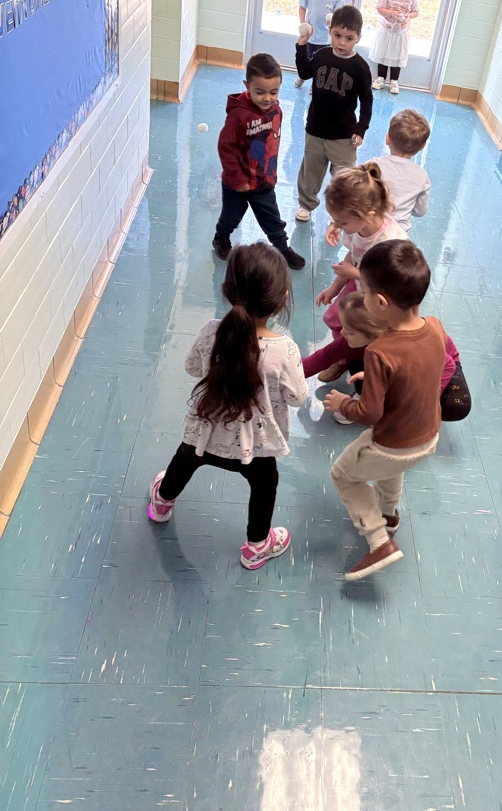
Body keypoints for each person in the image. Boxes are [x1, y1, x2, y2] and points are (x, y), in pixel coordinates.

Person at [148, 244, 308, 570]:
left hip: (205, 432)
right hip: (257, 447)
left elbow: (193, 367)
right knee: (265, 485)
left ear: (227, 290)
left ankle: (162, 503)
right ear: (280, 302)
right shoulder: (285, 351)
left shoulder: (212, 331)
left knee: (184, 460)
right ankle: (256, 547)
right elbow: (298, 398)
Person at [324, 240, 447, 581]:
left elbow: (369, 413)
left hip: (390, 443)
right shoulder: (435, 327)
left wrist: (342, 404)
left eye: (363, 292)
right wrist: (384, 381)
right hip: (426, 440)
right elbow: (421, 369)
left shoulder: (379, 352)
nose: (361, 297)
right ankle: (389, 515)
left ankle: (378, 540)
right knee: (390, 470)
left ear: (380, 303)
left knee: (343, 475)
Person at [302, 289, 471, 424]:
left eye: (350, 331)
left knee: (456, 406)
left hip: (433, 368)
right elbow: (316, 361)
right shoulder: (350, 342)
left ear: (372, 334)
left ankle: (396, 404)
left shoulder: (408, 344)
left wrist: (426, 401)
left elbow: (448, 366)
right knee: (360, 368)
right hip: (393, 368)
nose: (342, 333)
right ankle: (377, 396)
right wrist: (280, 372)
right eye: (343, 326)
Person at [315, 163, 408, 381]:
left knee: (370, 335)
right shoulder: (356, 227)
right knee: (335, 318)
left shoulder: (390, 240)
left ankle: (368, 368)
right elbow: (353, 255)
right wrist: (335, 287)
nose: (337, 225)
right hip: (359, 286)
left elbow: (388, 283)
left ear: (369, 213)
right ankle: (343, 358)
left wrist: (353, 273)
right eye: (334, 219)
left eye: (342, 221)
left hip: (381, 297)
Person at [212, 54, 305, 269]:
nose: (267, 98)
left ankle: (282, 248)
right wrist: (237, 179)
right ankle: (221, 237)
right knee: (231, 217)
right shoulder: (238, 116)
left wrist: (270, 171)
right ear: (247, 86)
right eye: (260, 92)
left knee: (272, 219)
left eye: (274, 92)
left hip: (263, 181)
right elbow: (226, 148)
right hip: (238, 184)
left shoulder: (276, 110)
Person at [294, 5, 373, 222]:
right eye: (337, 35)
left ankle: (340, 211)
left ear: (358, 38)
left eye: (349, 38)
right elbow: (304, 72)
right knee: (310, 172)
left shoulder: (360, 67)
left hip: (343, 135)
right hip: (316, 130)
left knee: (345, 178)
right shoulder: (322, 55)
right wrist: (302, 46)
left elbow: (366, 99)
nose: (341, 42)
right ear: (330, 30)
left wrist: (361, 128)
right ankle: (306, 205)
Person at [369, 0, 419, 95]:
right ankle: (381, 78)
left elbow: (416, 12)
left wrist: (408, 16)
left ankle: (394, 80)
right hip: (387, 30)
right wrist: (391, 13)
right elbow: (379, 8)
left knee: (397, 55)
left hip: (401, 33)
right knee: (383, 53)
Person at [294, 0, 344, 88]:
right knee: (306, 58)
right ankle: (302, 76)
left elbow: (338, 19)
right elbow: (302, 6)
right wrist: (303, 23)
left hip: (325, 39)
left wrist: (332, 24)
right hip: (310, 37)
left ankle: (316, 83)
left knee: (321, 63)